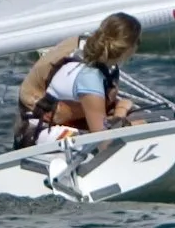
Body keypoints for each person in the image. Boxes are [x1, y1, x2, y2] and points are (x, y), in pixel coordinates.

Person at [13, 14, 143, 147]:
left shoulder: (85, 46)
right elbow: (103, 141)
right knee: (106, 142)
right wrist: (122, 112)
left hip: (54, 121)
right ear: (129, 48)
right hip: (37, 133)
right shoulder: (90, 78)